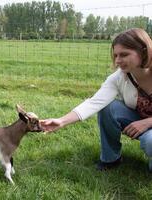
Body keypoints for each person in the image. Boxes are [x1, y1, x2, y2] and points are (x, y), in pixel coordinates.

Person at [40, 28, 152, 171]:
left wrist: (147, 122)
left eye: (124, 54)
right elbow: (95, 102)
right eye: (116, 55)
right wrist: (62, 121)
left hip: (146, 124)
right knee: (107, 107)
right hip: (139, 121)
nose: (117, 61)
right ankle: (111, 159)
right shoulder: (120, 77)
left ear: (143, 51)